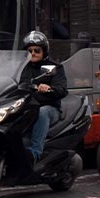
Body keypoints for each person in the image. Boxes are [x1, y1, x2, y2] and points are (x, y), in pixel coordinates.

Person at [18, 31, 67, 161]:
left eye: (37, 50)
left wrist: (49, 88)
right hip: (26, 106)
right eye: (29, 51)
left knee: (42, 111)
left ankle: (35, 152)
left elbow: (62, 90)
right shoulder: (21, 67)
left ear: (44, 52)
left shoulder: (55, 67)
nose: (33, 53)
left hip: (49, 108)